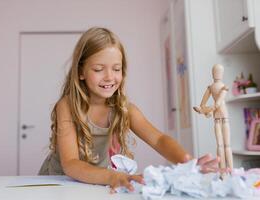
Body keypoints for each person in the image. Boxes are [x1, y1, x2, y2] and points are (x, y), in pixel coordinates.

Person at [39, 27, 223, 192]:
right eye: (98, 69)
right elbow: (71, 164)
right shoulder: (67, 106)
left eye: (116, 69)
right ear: (81, 72)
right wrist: (113, 176)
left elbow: (158, 139)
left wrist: (188, 163)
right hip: (58, 181)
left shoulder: (124, 108)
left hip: (97, 181)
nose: (109, 77)